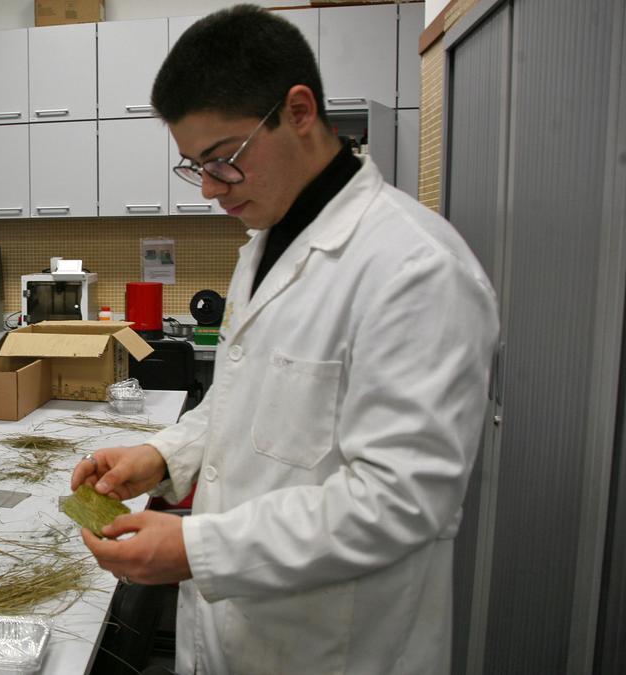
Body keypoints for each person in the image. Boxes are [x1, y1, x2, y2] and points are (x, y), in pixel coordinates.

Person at [70, 6, 499, 674]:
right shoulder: (265, 245)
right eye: (194, 166)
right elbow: (243, 398)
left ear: (299, 111)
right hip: (232, 638)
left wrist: (196, 550)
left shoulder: (416, 270)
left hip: (334, 648)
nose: (210, 189)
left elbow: (400, 502)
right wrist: (162, 454)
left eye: (223, 160)